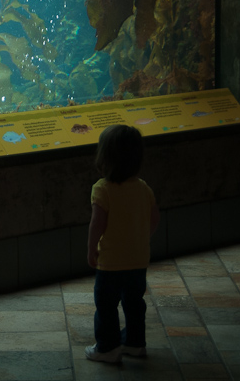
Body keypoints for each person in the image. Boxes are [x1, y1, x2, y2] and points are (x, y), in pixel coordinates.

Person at [85, 124, 160, 364]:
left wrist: (91, 249)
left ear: (104, 157)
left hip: (110, 263)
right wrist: (140, 239)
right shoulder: (144, 188)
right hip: (138, 261)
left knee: (106, 305)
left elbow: (97, 224)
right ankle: (135, 343)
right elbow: (154, 218)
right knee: (135, 303)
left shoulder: (102, 189)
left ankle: (107, 348)